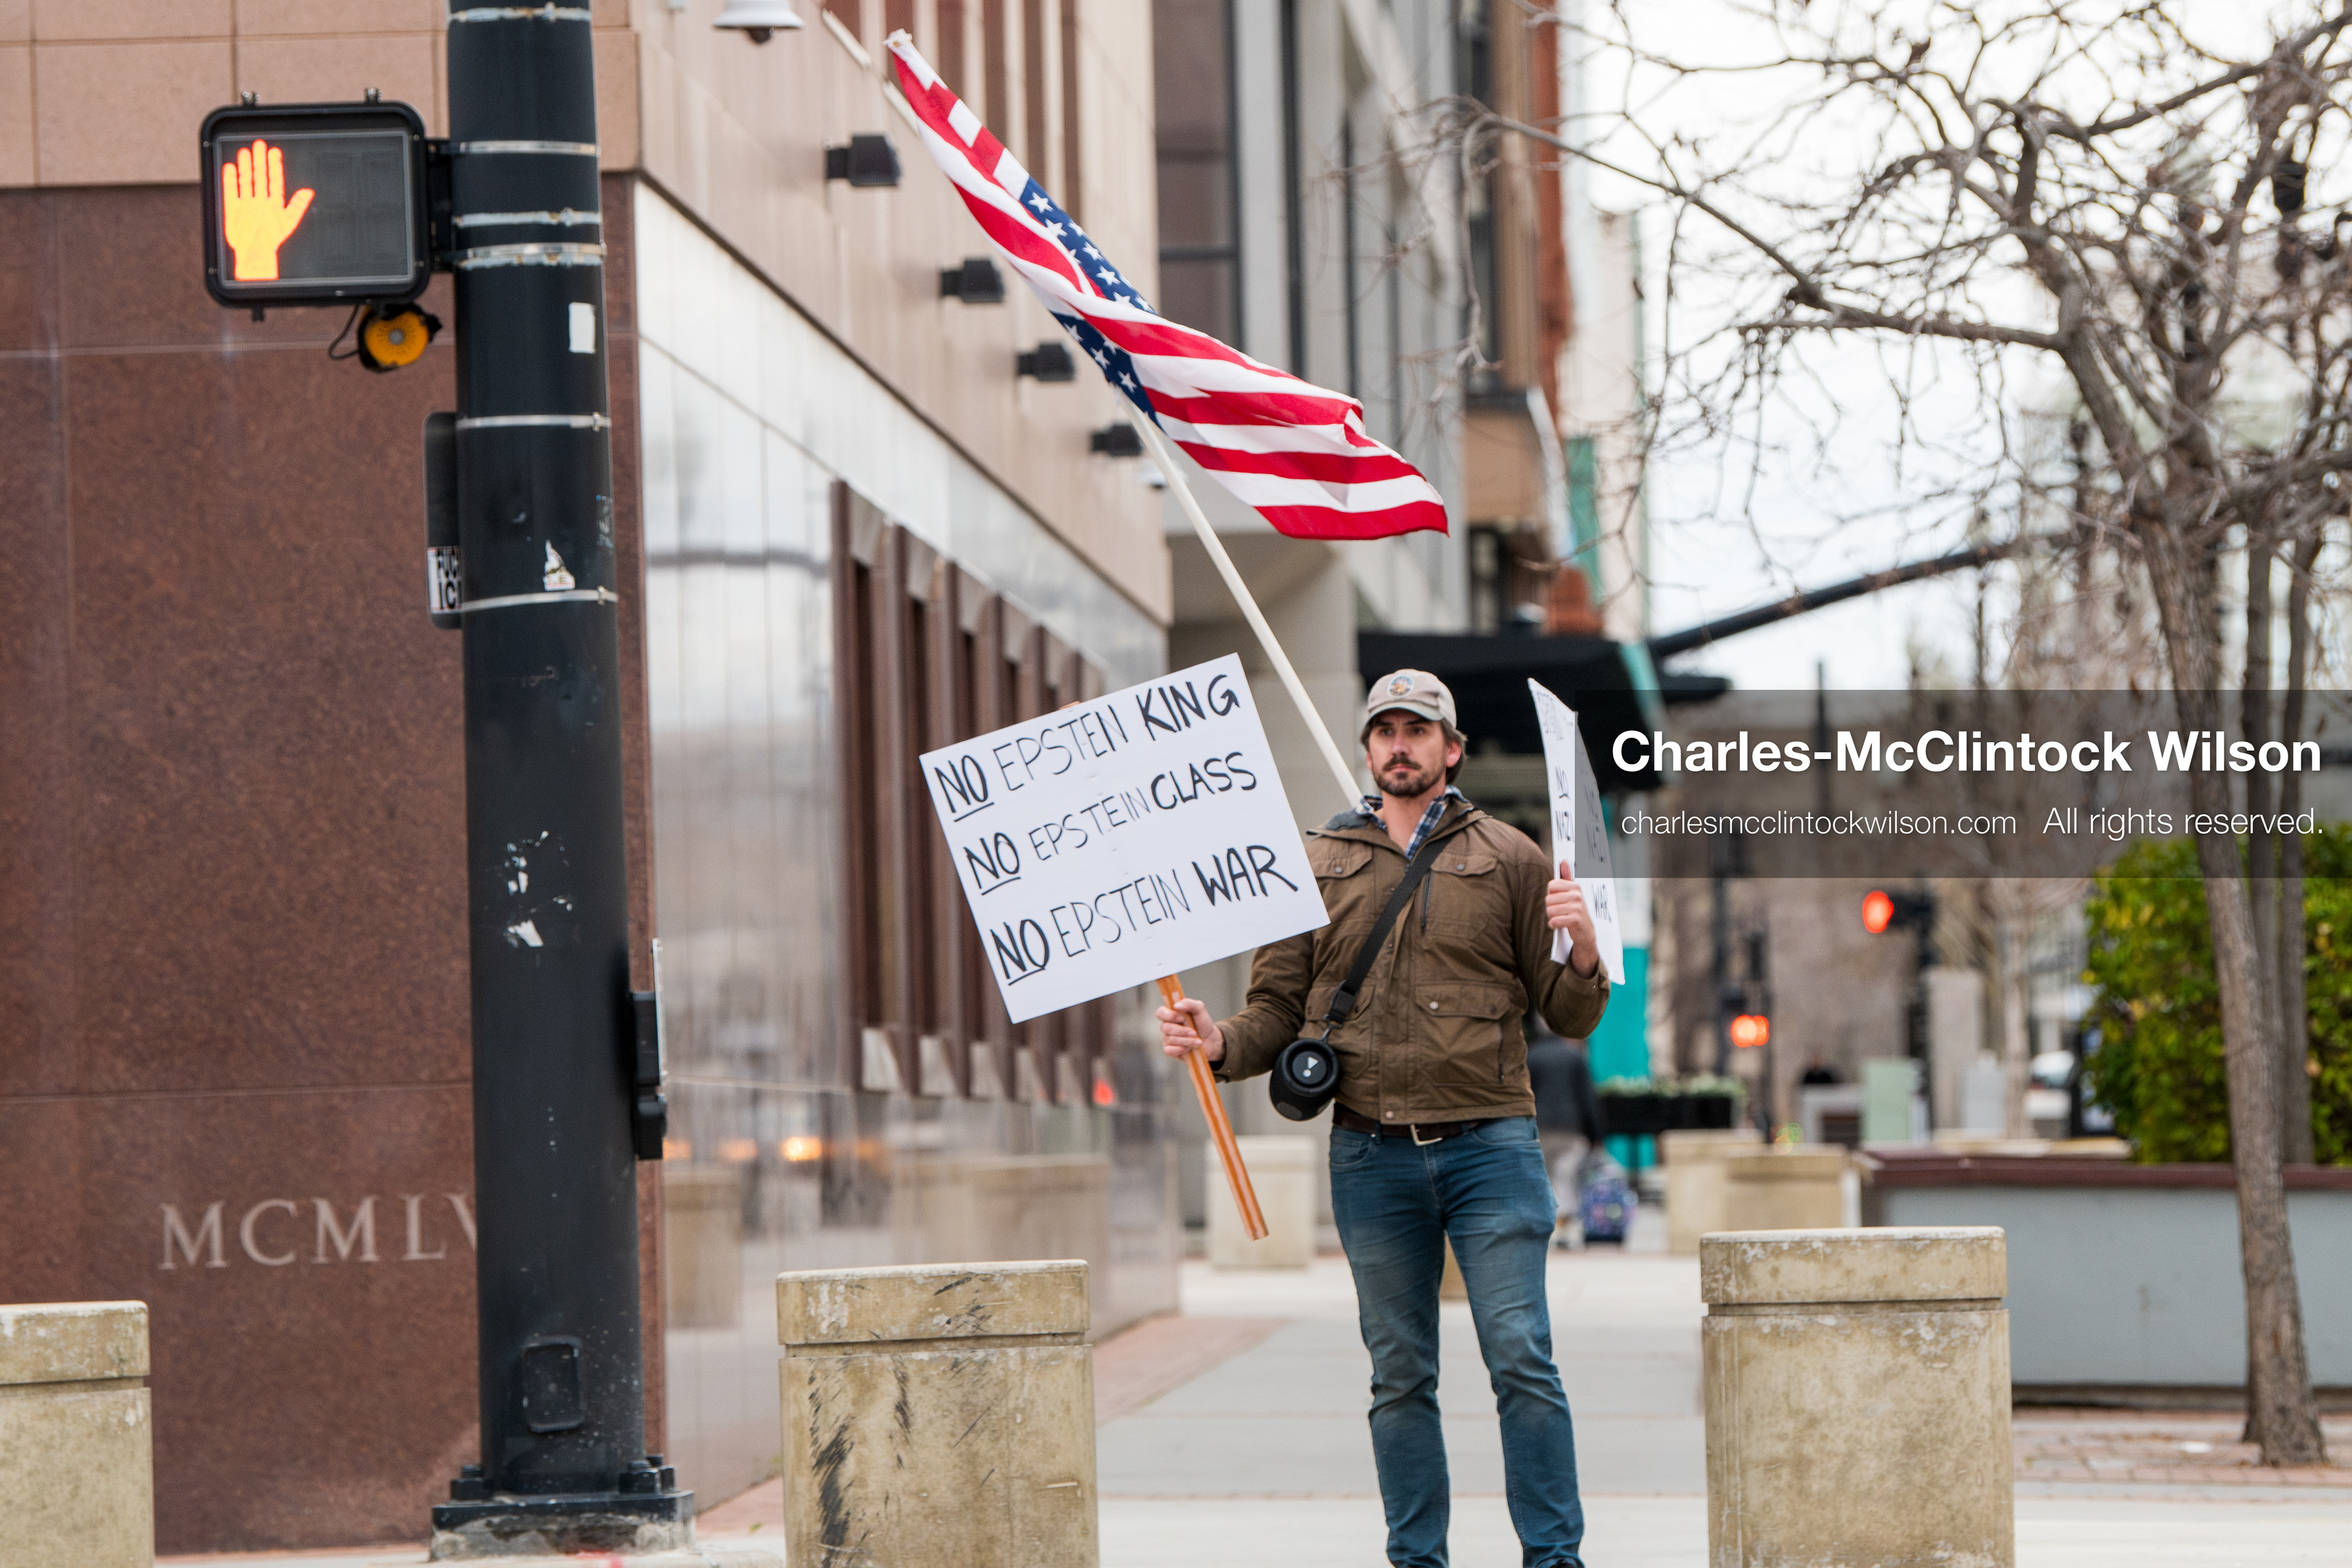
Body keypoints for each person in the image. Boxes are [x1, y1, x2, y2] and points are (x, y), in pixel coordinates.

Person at [1158, 669, 1607, 1568]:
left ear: (1452, 748)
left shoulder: (1516, 860)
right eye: (1385, 729)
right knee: (1400, 1376)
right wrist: (1217, 1043)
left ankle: (1554, 1558)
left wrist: (1586, 946)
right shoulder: (1311, 862)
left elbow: (1570, 1015)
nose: (1400, 743)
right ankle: (1417, 1560)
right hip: (1371, 1154)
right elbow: (1275, 1011)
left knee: (1521, 1359)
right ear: (1368, 748)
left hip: (1493, 1146)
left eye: (1418, 729)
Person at [1525, 1027, 1605, 1248]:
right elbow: (1588, 1099)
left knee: (1544, 1179)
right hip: (1571, 1129)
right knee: (1566, 1177)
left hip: (1538, 1127)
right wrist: (1596, 1135)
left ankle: (1548, 1228)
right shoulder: (1574, 1056)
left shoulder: (1532, 1055)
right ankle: (1563, 1229)